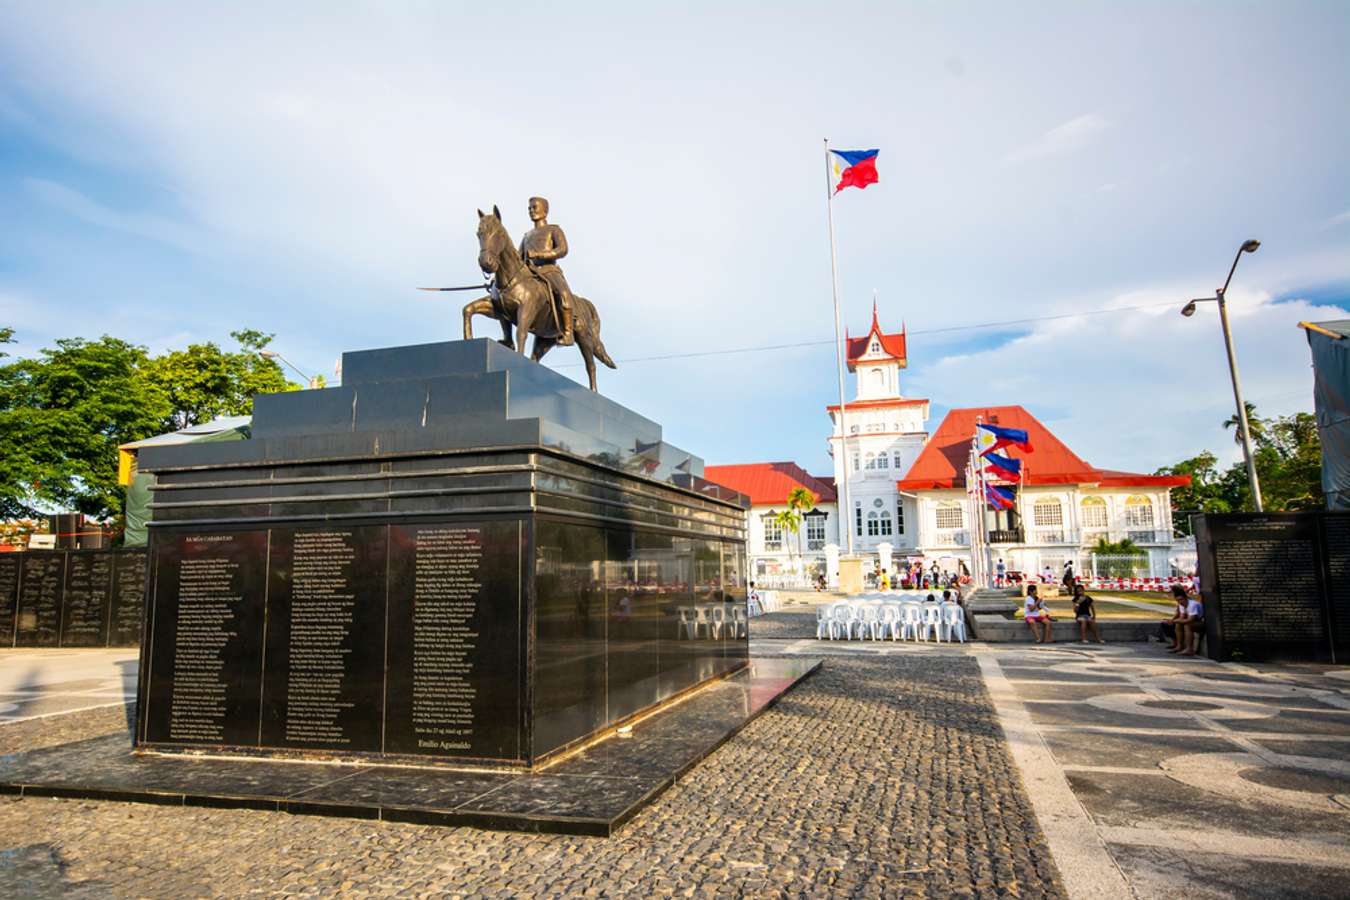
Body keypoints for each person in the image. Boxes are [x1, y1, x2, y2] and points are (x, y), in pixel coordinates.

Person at [519, 196, 575, 345]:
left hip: (549, 271)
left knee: (564, 294)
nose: (531, 211)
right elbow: (518, 259)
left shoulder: (554, 230)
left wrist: (539, 254)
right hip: (530, 273)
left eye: (534, 207)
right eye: (529, 208)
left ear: (545, 210)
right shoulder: (526, 236)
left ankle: (568, 333)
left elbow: (563, 250)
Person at [1178, 592, 1206, 656]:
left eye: (1181, 599)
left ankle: (1189, 649)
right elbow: (1181, 618)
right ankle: (1179, 646)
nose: (1179, 602)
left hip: (1202, 622)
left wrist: (1175, 621)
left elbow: (1190, 619)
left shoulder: (1192, 604)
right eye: (1178, 600)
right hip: (1196, 621)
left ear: (1186, 598)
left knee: (1187, 625)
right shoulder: (1181, 604)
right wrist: (1173, 621)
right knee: (1178, 624)